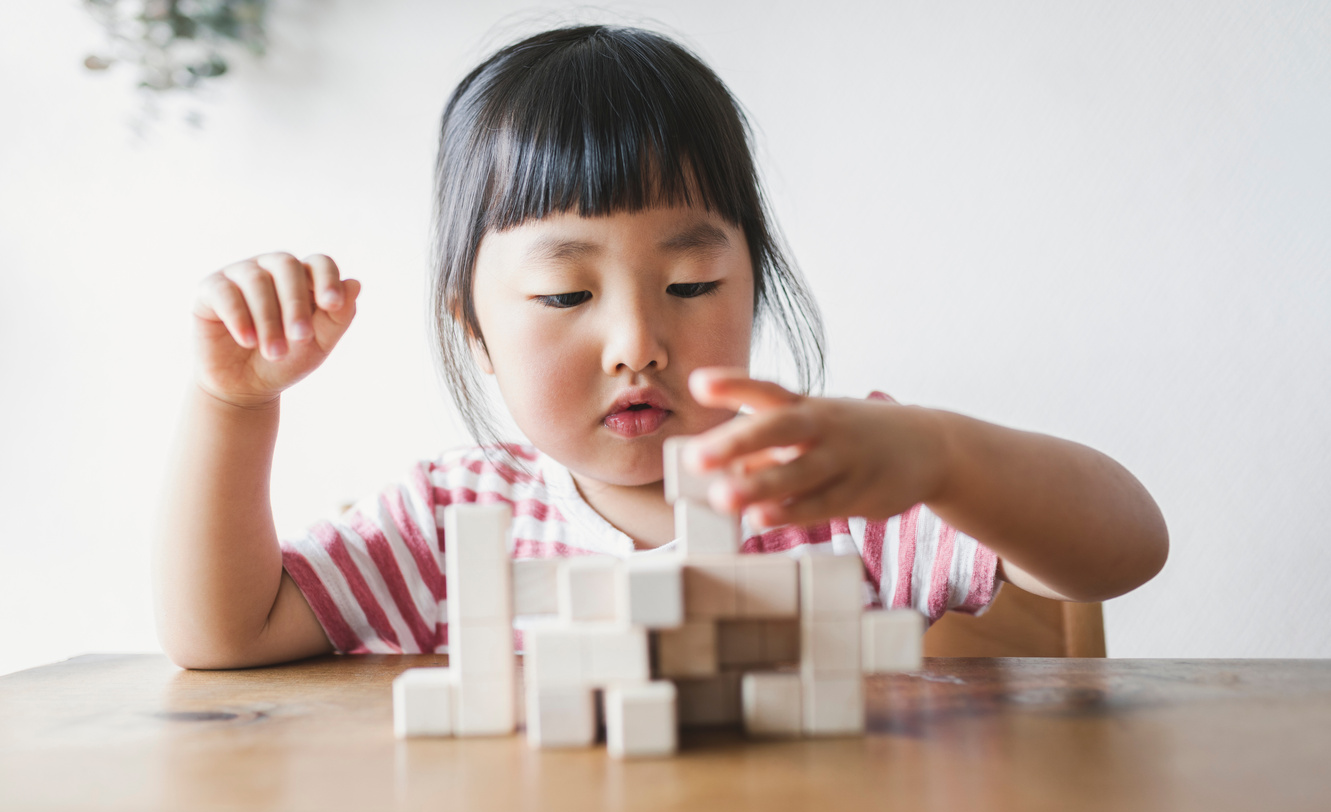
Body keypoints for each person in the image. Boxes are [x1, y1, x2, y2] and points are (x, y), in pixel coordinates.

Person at [154, 25, 1168, 669]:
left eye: (689, 284)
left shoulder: (835, 480)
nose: (638, 342)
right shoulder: (453, 522)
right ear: (472, 323)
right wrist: (234, 406)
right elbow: (224, 636)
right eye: (563, 292)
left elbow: (1123, 550)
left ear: (753, 285)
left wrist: (944, 455)